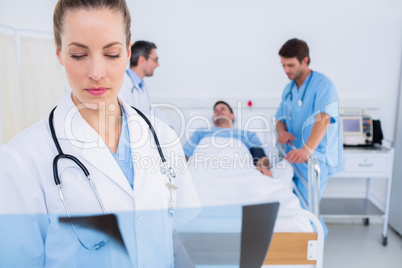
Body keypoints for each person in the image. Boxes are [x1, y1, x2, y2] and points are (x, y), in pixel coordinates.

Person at [0, 0, 199, 267]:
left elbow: (170, 236)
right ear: (59, 53)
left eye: (112, 54)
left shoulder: (162, 137)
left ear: (128, 52)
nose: (96, 73)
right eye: (79, 55)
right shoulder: (22, 159)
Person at [275, 38, 344, 238]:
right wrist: (281, 131)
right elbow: (279, 118)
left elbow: (323, 119)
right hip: (294, 157)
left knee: (307, 210)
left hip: (315, 158)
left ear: (305, 61)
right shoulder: (288, 90)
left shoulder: (323, 85)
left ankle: (314, 250)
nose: (286, 70)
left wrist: (307, 150)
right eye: (283, 65)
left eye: (290, 65)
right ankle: (304, 248)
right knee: (297, 207)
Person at [183, 100, 272, 177]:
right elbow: (184, 155)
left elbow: (260, 156)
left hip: (240, 169)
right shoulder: (201, 132)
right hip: (202, 168)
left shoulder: (246, 134)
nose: (218, 111)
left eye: (222, 109)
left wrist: (264, 168)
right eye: (215, 111)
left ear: (232, 116)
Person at [119, 40, 171, 124]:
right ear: (142, 60)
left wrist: (170, 129)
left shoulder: (142, 86)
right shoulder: (122, 84)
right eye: (155, 60)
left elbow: (155, 112)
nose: (157, 64)